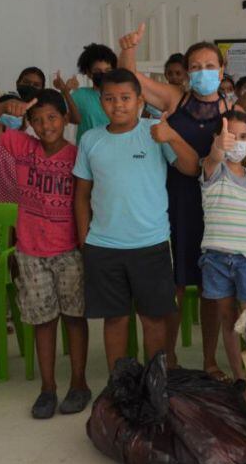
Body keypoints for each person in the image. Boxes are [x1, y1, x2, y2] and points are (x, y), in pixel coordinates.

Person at [119, 24, 234, 377]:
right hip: (176, 202)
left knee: (211, 289)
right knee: (176, 285)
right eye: (195, 67)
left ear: (222, 71)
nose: (203, 73)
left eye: (209, 66)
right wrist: (128, 48)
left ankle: (210, 360)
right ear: (186, 73)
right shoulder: (174, 98)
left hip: (216, 204)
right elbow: (131, 80)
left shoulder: (231, 106)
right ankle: (168, 358)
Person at [0, 89, 90, 419]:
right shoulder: (21, 145)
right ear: (29, 123)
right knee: (43, 320)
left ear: (65, 120)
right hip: (30, 251)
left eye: (52, 117)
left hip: (69, 251)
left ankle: (79, 383)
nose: (45, 125)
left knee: (74, 318)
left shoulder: (77, 156)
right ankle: (48, 388)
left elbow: (86, 201)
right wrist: (3, 106)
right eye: (37, 120)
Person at [73, 68, 199, 371]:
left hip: (150, 243)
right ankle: (122, 384)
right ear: (100, 102)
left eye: (126, 98)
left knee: (154, 319)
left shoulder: (155, 131)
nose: (118, 105)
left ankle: (155, 381)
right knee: (115, 319)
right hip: (103, 245)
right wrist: (84, 241)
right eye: (110, 98)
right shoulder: (90, 140)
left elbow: (191, 167)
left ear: (140, 101)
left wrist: (172, 137)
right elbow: (81, 195)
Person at [200, 111, 246, 385]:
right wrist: (219, 146)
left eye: (243, 137)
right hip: (216, 260)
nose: (237, 143)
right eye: (231, 137)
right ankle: (240, 378)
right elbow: (214, 157)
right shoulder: (212, 169)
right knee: (228, 321)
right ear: (218, 138)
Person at [71, 43, 118, 141]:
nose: (103, 74)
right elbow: (64, 116)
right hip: (87, 152)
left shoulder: (119, 97)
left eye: (107, 70)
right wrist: (65, 91)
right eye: (97, 71)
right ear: (88, 73)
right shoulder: (79, 95)